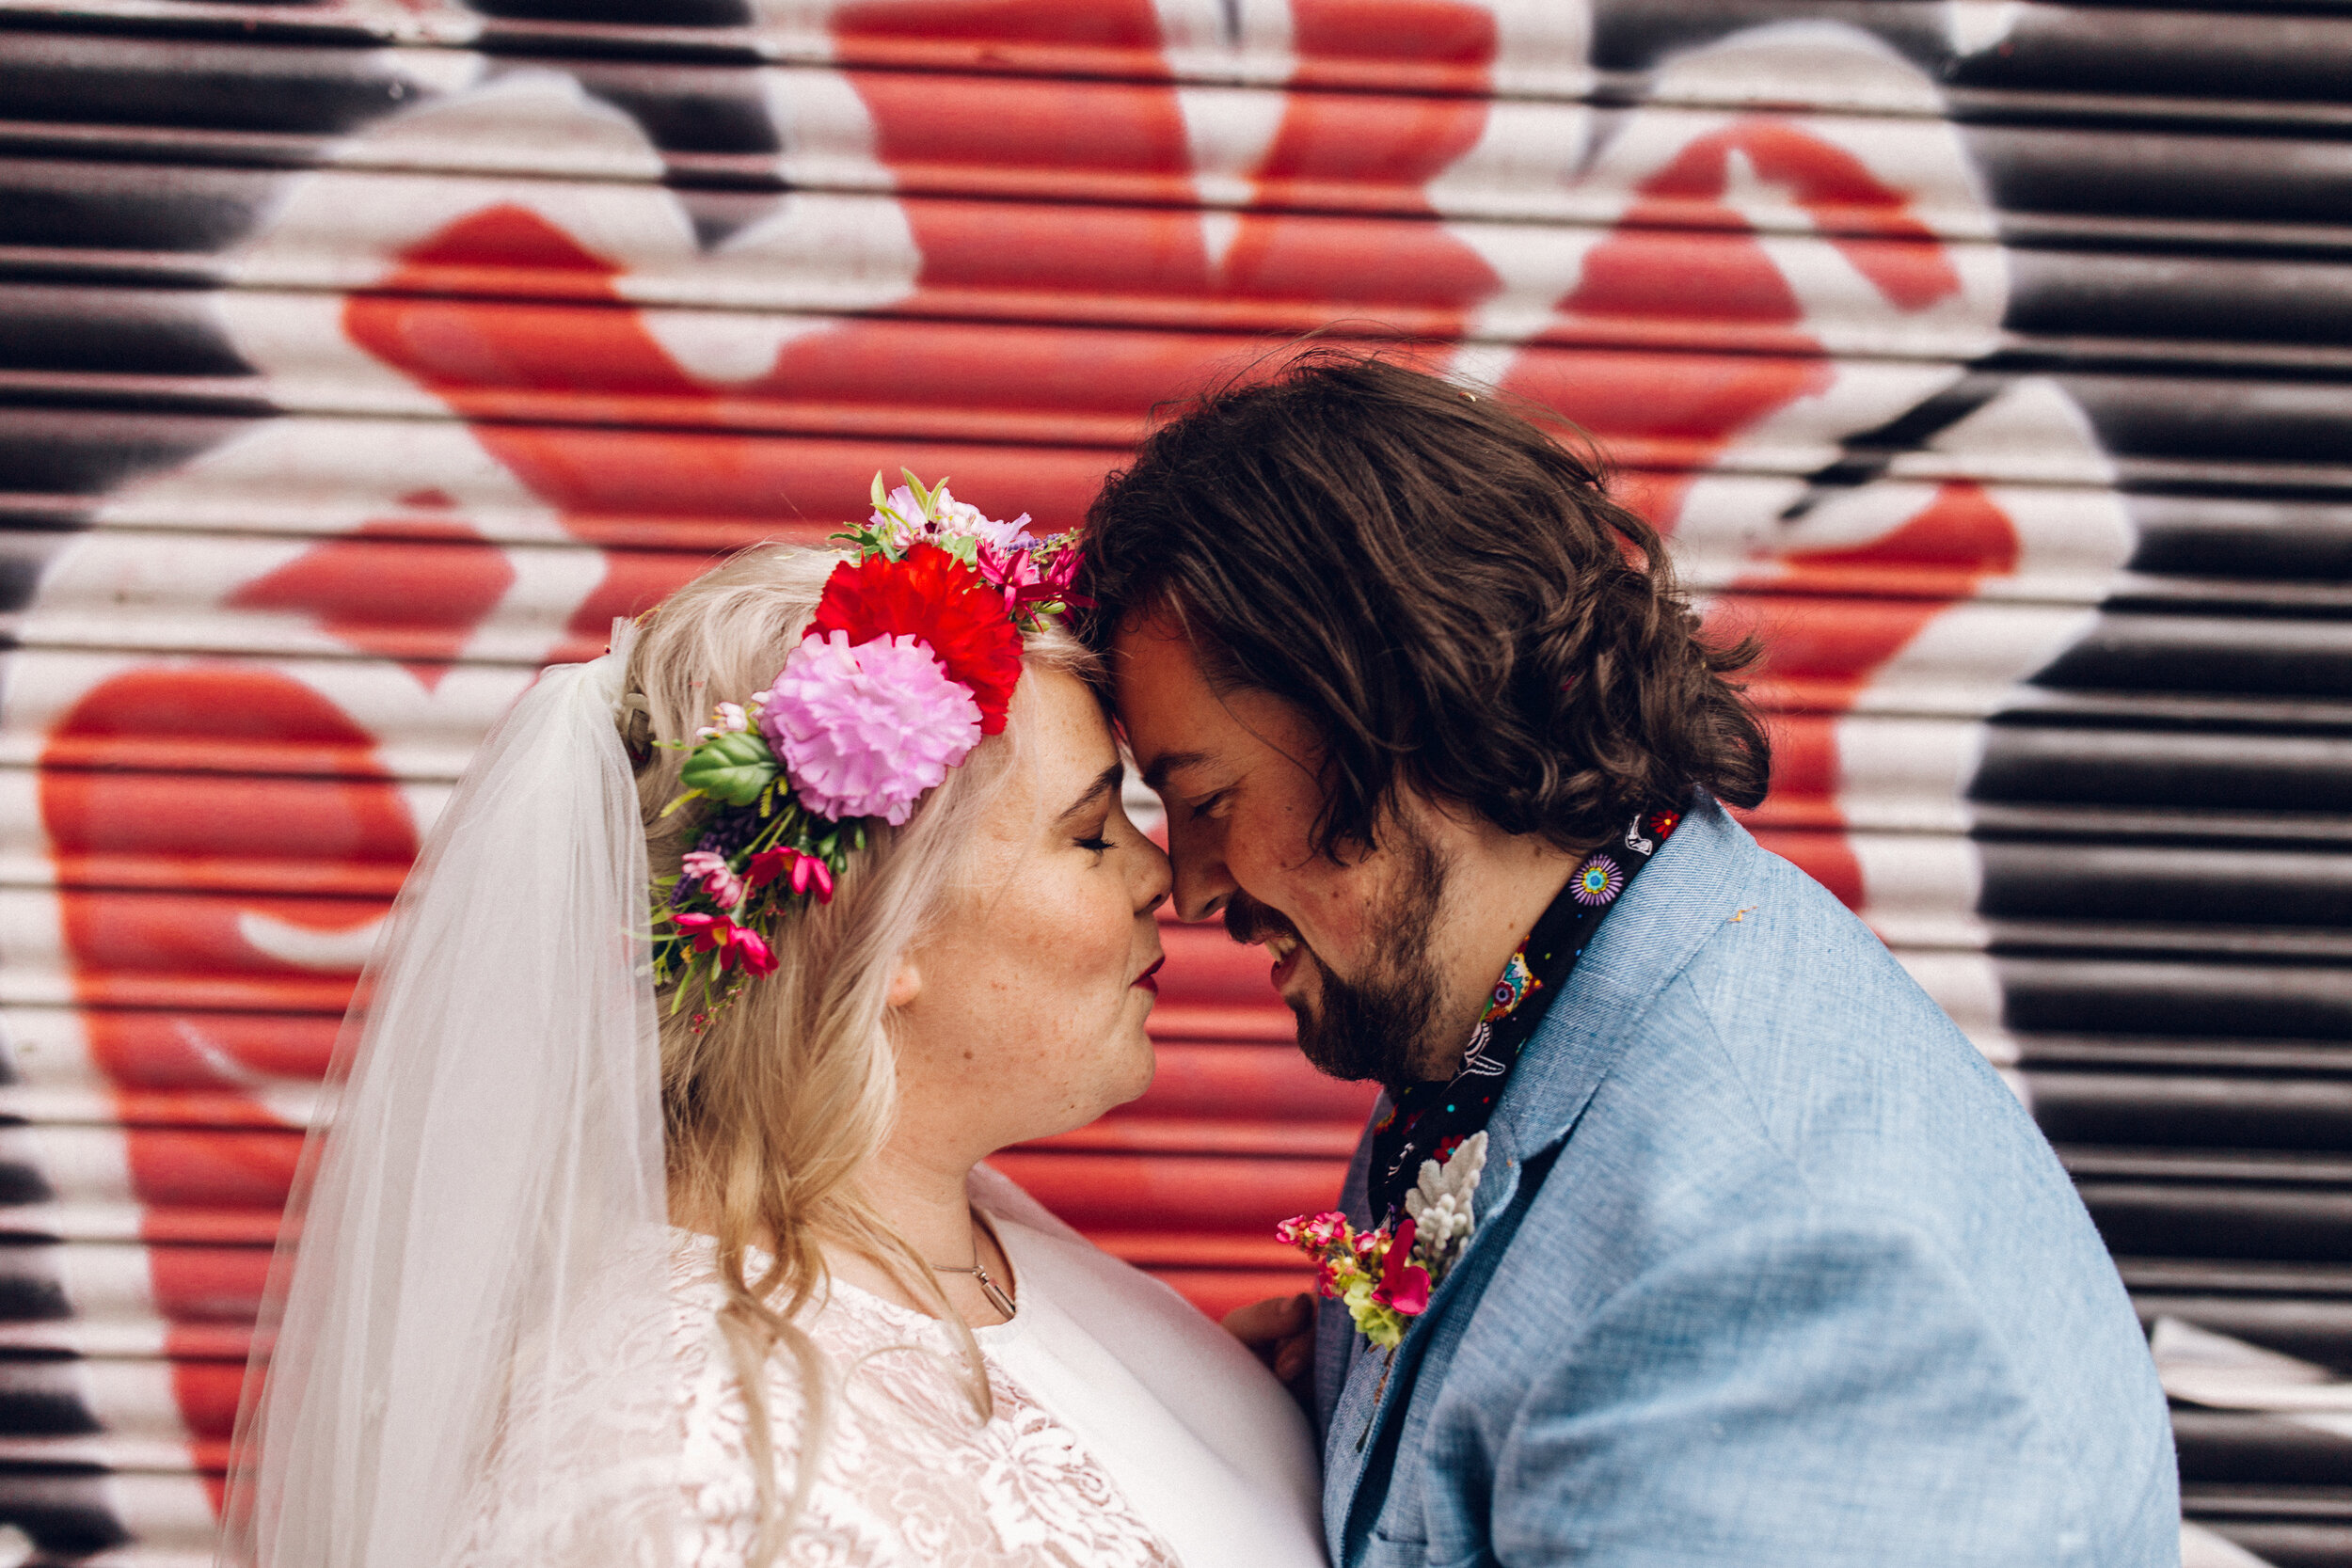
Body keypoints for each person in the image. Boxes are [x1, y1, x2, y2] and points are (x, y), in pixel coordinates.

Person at [1084, 353, 2179, 1567]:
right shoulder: (1531, 1002)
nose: (1190, 883)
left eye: (1208, 796)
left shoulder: (1783, 1269)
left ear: (1395, 714)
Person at [216, 486, 1328, 1567]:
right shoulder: (686, 1486)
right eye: (1091, 834)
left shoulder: (971, 1239)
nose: (1166, 880)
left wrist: (1210, 1440)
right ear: (877, 933)